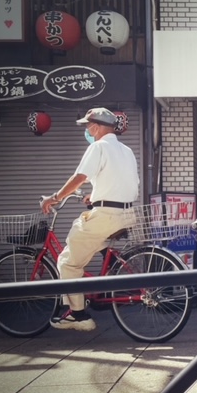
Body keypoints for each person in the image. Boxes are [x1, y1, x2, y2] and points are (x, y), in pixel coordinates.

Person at [40, 107, 139, 331]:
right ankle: (109, 274)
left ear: (96, 126)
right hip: (126, 214)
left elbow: (80, 177)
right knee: (94, 239)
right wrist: (94, 197)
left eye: (88, 125)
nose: (87, 129)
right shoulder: (126, 150)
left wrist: (55, 198)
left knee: (68, 261)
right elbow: (123, 183)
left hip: (106, 216)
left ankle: (78, 315)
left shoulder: (98, 147)